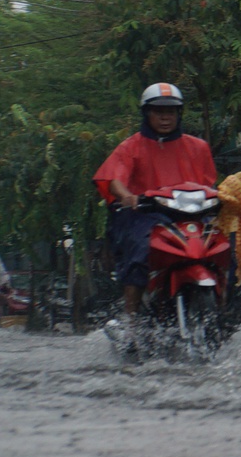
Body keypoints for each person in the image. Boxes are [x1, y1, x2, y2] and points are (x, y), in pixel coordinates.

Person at [92, 82, 219, 317]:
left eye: (170, 112)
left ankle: (235, 310)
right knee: (139, 253)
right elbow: (114, 178)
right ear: (147, 113)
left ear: (178, 114)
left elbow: (210, 184)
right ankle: (131, 320)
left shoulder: (198, 147)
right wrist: (127, 196)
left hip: (194, 216)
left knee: (225, 247)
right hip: (146, 216)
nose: (165, 118)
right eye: (158, 112)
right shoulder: (131, 146)